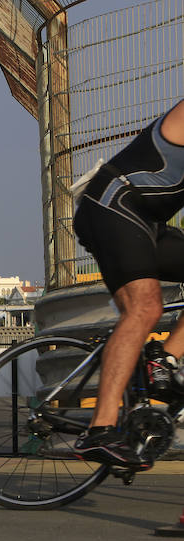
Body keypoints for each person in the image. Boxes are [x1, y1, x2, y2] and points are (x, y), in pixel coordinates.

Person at [71, 100, 184, 469]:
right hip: (113, 203)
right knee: (145, 308)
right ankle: (99, 430)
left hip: (146, 221)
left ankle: (163, 361)